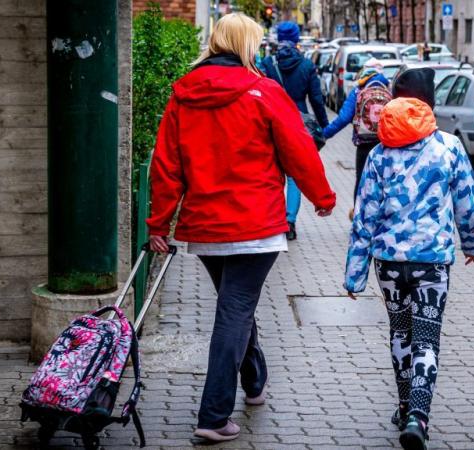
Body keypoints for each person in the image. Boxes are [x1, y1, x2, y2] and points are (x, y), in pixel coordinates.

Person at [146, 13, 336, 443]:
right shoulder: (264, 92)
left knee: (236, 305)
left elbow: (166, 165)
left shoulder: (183, 95)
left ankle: (254, 382)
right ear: (247, 44)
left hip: (207, 227)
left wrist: (159, 222)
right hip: (256, 223)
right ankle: (213, 416)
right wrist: (322, 197)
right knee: (235, 310)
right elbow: (298, 149)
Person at [344, 68, 474, 450]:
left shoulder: (378, 154)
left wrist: (354, 274)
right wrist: (472, 243)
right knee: (427, 338)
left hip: (388, 263)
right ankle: (417, 417)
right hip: (433, 261)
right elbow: (469, 205)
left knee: (400, 331)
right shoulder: (449, 147)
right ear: (430, 102)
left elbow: (364, 216)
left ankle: (405, 403)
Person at [259, 21, 329, 241]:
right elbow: (317, 100)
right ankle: (289, 221)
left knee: (271, 171)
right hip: (298, 124)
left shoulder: (268, 63)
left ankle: (271, 218)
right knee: (294, 175)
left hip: (270, 121)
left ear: (279, 38)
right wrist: (324, 126)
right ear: (297, 39)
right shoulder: (307, 65)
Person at [322, 58, 390, 213]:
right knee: (384, 181)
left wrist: (324, 135)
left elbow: (344, 118)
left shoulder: (359, 90)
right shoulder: (388, 89)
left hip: (364, 143)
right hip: (386, 143)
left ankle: (358, 217)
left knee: (361, 181)